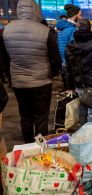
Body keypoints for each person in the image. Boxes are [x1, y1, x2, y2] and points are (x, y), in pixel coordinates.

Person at [1, 0, 61, 143]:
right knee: (41, 118)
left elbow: (4, 60)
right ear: (36, 10)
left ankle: (27, 146)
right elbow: (56, 59)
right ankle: (40, 150)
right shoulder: (45, 31)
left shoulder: (6, 30)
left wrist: (11, 78)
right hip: (42, 82)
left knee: (25, 117)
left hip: (19, 82)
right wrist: (51, 73)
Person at [56, 4, 81, 92]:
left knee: (67, 88)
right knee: (72, 90)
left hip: (63, 61)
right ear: (75, 16)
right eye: (79, 14)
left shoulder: (62, 28)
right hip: (70, 62)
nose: (80, 17)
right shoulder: (73, 29)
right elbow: (74, 47)